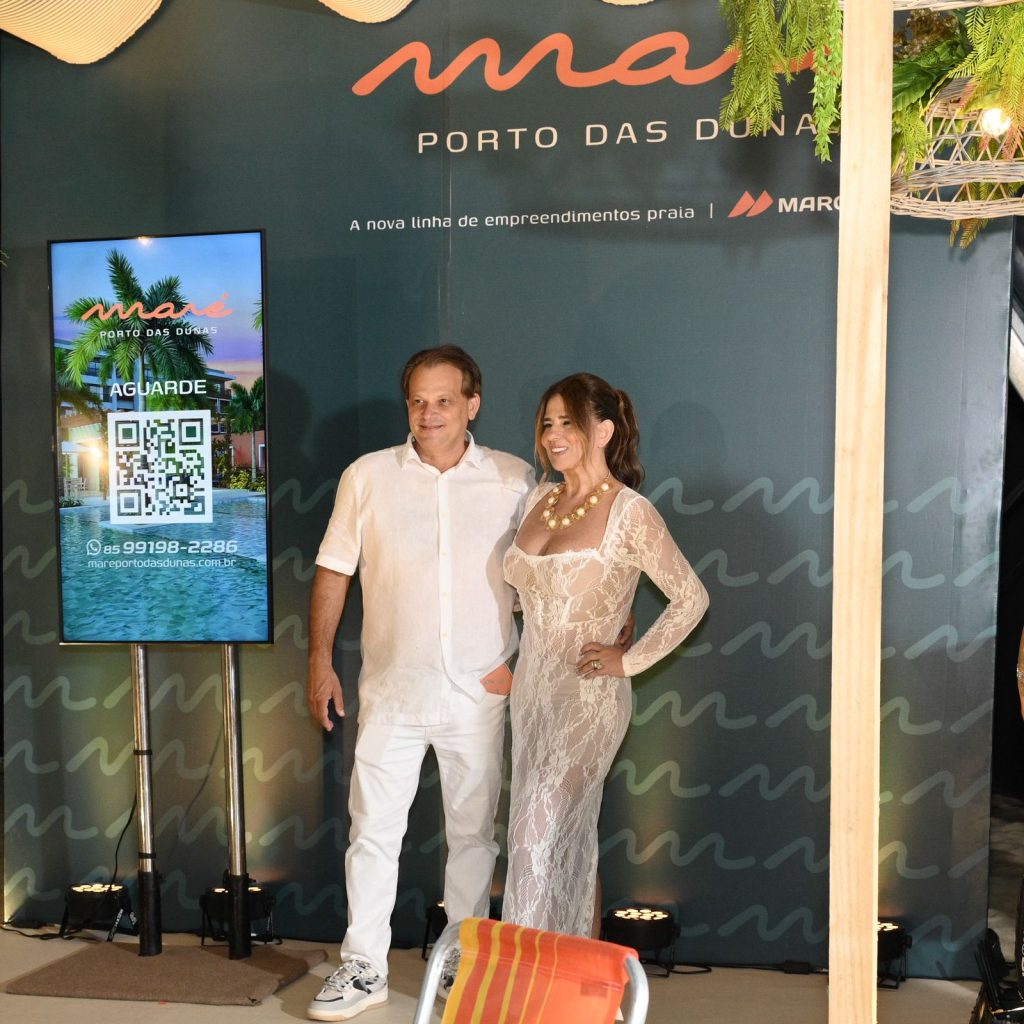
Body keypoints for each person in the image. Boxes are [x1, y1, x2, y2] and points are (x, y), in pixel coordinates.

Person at [305, 346, 534, 1021]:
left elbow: (547, 583)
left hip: (480, 694)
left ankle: (463, 966)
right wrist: (319, 659)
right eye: (418, 402)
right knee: (372, 834)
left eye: (444, 401)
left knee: (473, 837)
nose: (429, 414)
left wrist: (519, 665)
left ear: (472, 404)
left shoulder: (516, 480)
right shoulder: (367, 476)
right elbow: (334, 569)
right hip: (390, 693)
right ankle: (364, 968)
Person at [501, 372, 710, 938]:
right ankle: (576, 969)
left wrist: (628, 660)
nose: (553, 435)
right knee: (561, 838)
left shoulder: (630, 512)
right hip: (533, 693)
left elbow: (691, 598)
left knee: (532, 835)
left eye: (568, 422)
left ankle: (525, 974)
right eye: (547, 424)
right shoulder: (539, 499)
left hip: (588, 698)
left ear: (603, 430)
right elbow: (525, 595)